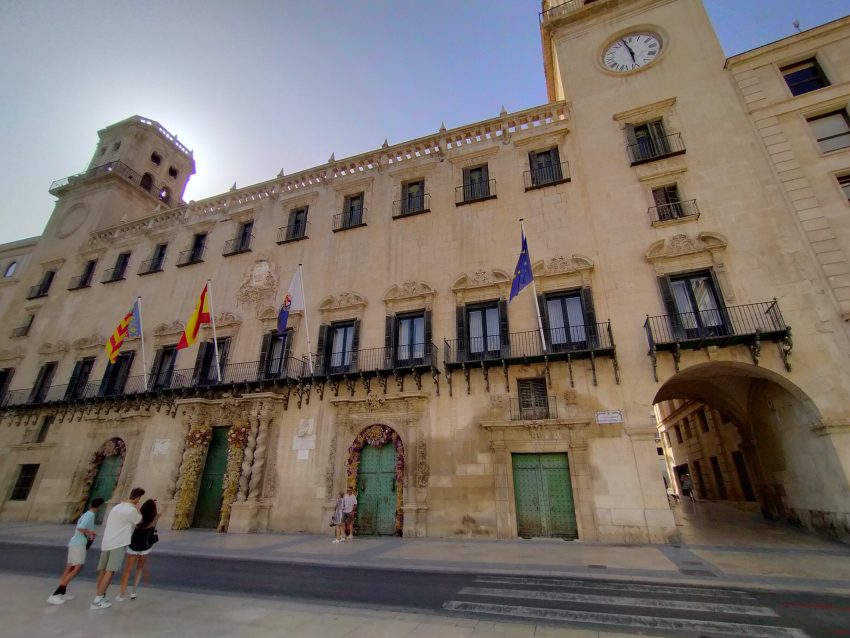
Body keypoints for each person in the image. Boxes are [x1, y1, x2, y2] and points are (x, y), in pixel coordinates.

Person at [91, 487, 144, 610]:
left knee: (103, 570)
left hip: (107, 542)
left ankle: (100, 595)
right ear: (137, 498)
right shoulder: (131, 510)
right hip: (118, 543)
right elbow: (140, 521)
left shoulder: (116, 507)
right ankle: (97, 600)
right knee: (110, 571)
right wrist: (137, 509)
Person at [46, 498, 104, 605]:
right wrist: (90, 532)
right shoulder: (91, 515)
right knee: (77, 568)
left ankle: (62, 592)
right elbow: (81, 528)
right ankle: (56, 593)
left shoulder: (85, 514)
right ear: (99, 506)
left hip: (74, 542)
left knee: (70, 567)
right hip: (79, 543)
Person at [117, 498, 160, 601]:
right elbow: (160, 511)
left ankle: (122, 593)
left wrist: (139, 505)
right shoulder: (154, 519)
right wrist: (156, 503)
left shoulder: (138, 518)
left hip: (134, 545)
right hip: (145, 546)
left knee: (128, 570)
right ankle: (133, 591)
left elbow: (135, 509)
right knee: (139, 569)